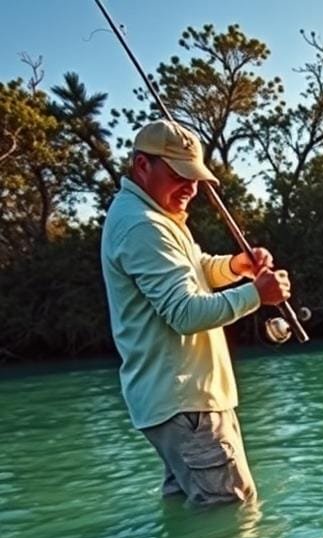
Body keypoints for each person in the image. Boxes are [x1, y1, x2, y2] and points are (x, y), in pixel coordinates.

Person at [100, 119, 292, 506]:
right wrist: (256, 295)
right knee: (230, 512)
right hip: (188, 404)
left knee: (192, 512)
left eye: (195, 178)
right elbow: (184, 312)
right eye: (178, 175)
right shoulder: (143, 226)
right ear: (142, 166)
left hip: (179, 404)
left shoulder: (154, 215)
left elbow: (195, 268)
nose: (190, 188)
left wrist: (235, 266)